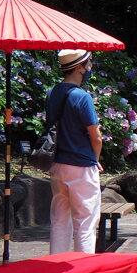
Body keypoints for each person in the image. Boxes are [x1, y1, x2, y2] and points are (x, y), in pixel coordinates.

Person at [47, 49, 103, 254]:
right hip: (81, 165)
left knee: (59, 221)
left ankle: (54, 269)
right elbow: (96, 137)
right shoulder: (82, 97)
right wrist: (95, 160)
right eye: (88, 64)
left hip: (57, 163)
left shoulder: (51, 93)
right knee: (85, 223)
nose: (90, 68)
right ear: (79, 67)